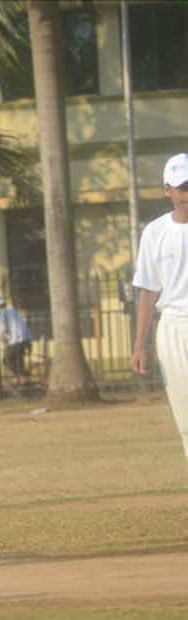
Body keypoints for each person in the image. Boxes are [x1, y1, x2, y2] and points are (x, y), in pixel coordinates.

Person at [130, 152, 188, 464]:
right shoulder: (154, 232)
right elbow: (148, 290)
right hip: (174, 328)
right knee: (185, 414)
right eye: (183, 188)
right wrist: (139, 344)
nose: (187, 195)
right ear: (168, 190)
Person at [0, 298, 32, 386]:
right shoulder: (14, 311)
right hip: (25, 339)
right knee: (18, 360)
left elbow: (2, 330)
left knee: (6, 360)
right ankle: (23, 379)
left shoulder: (2, 313)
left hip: (16, 340)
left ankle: (22, 377)